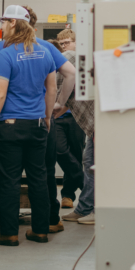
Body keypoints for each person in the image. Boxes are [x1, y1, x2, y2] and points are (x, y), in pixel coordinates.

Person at [0, 5, 58, 246]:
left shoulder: (5, 54)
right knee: (39, 178)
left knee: (10, 180)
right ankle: (40, 231)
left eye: (4, 22)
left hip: (11, 126)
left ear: (13, 23)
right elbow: (51, 89)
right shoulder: (45, 53)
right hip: (37, 125)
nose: (2, 26)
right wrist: (46, 117)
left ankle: (8, 233)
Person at [0, 4, 74, 116]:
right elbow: (71, 73)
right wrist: (59, 103)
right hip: (39, 113)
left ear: (14, 23)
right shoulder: (46, 48)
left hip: (9, 115)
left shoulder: (1, 48)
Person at [61, 33, 95, 225]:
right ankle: (85, 208)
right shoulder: (68, 63)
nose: (64, 46)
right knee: (89, 161)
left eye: (67, 42)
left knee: (96, 164)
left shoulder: (70, 60)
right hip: (93, 124)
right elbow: (65, 99)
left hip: (100, 122)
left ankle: (96, 210)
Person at [50, 28, 85, 208]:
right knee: (61, 151)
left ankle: (68, 195)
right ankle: (85, 184)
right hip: (57, 115)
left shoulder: (81, 63)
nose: (64, 47)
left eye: (67, 43)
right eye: (61, 44)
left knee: (76, 155)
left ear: (77, 43)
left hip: (76, 117)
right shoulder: (59, 63)